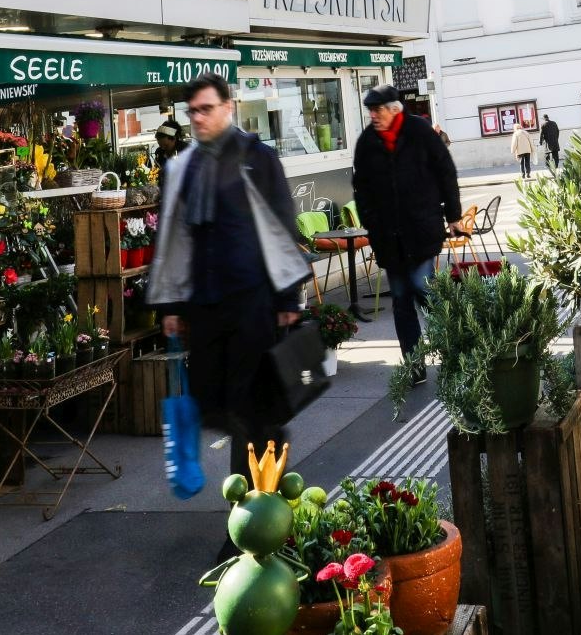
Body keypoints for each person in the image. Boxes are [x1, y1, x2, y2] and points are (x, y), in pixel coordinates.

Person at [145, 73, 311, 483]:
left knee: (249, 404)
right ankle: (262, 457)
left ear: (228, 107)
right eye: (193, 112)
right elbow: (175, 237)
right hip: (205, 305)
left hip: (253, 300)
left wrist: (287, 299)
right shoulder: (184, 167)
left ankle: (255, 497)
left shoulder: (257, 157)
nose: (199, 118)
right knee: (216, 403)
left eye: (207, 109)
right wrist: (172, 306)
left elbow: (283, 227)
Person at [350, 85, 463, 375]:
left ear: (394, 109)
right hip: (388, 238)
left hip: (421, 230)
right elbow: (360, 188)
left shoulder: (419, 131)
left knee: (423, 289)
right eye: (370, 110)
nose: (373, 115)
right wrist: (370, 222)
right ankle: (414, 366)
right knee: (401, 301)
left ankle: (455, 353)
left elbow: (446, 171)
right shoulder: (367, 142)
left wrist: (453, 215)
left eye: (378, 110)